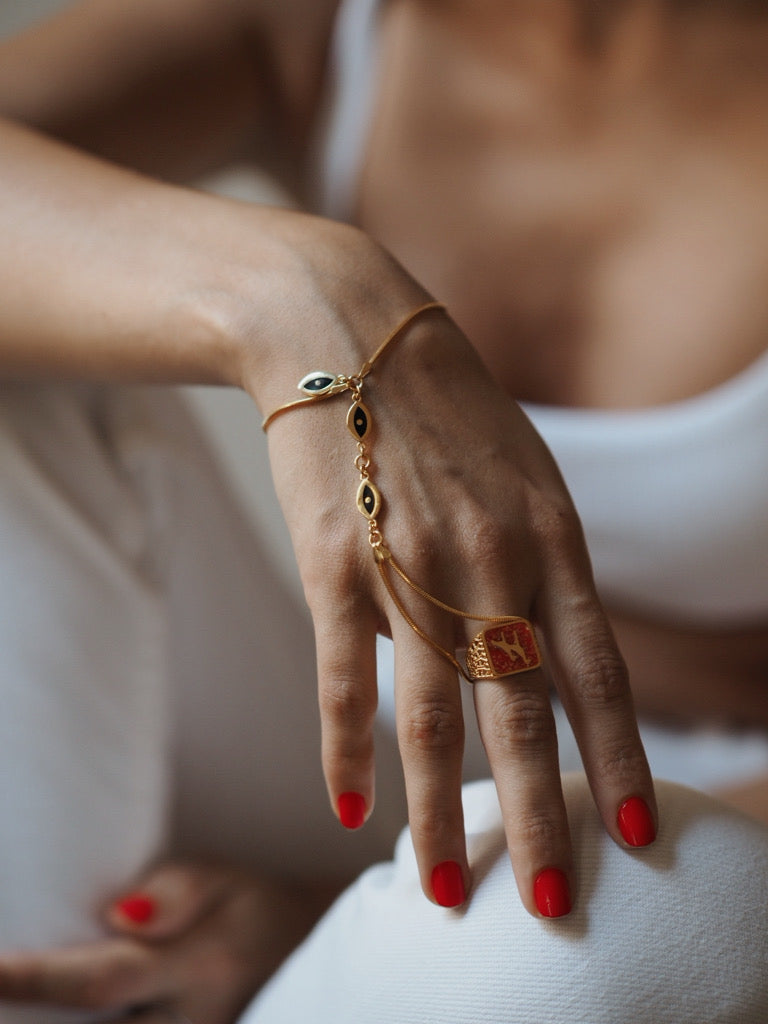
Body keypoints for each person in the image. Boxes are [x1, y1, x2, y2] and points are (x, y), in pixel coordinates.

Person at [0, 0, 765, 1020]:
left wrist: (329, 913)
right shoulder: (339, 23)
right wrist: (310, 301)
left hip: (689, 828)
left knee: (670, 918)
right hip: (358, 750)